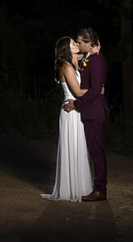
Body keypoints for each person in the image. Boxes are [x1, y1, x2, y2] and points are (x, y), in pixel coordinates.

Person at [40, 37, 92, 201]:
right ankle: (69, 189)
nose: (77, 44)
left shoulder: (74, 63)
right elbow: (77, 92)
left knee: (80, 147)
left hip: (77, 109)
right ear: (66, 49)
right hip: (70, 113)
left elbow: (89, 51)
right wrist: (98, 91)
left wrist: (92, 46)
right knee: (73, 147)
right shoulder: (66, 66)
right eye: (73, 43)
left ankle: (80, 187)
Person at [72, 28, 108, 201]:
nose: (78, 44)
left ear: (88, 43)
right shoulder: (89, 58)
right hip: (89, 112)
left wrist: (76, 104)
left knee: (96, 151)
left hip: (95, 112)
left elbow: (95, 90)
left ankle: (100, 189)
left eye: (80, 42)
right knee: (94, 150)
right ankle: (97, 187)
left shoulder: (97, 60)